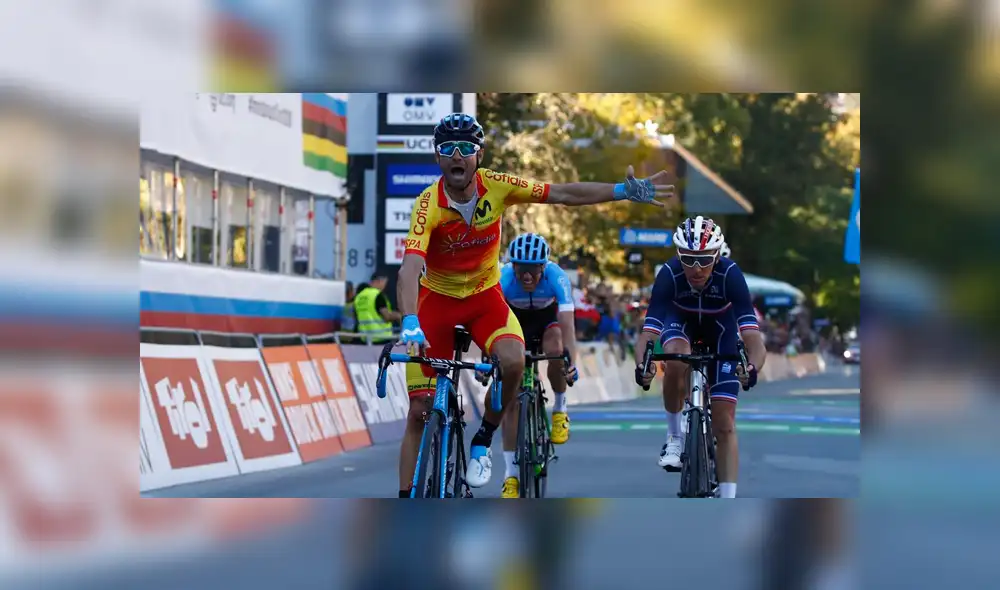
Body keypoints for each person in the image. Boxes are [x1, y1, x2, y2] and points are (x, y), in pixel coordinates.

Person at [395, 112, 675, 498]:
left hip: (483, 300)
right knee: (419, 411)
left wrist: (620, 191)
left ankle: (484, 438)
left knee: (515, 360)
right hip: (435, 306)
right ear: (438, 157)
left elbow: (562, 193)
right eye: (448, 149)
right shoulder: (427, 205)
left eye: (466, 149)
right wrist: (410, 319)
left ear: (479, 155)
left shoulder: (497, 186)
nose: (457, 156)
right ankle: (406, 497)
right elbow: (410, 268)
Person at [636, 216, 767, 498]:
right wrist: (642, 365)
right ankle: (674, 437)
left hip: (721, 332)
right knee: (674, 357)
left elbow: (753, 338)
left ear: (717, 256)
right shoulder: (669, 274)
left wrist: (752, 367)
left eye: (705, 260)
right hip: (679, 325)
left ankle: (728, 498)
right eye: (688, 259)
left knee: (725, 424)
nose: (696, 268)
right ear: (678, 255)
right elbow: (648, 333)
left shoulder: (731, 274)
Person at [496, 232, 579, 497]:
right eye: (522, 269)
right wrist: (492, 359)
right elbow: (492, 323)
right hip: (515, 323)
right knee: (511, 404)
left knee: (555, 349)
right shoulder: (504, 278)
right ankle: (510, 477)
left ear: (544, 266)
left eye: (533, 269)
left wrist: (570, 363)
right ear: (513, 266)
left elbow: (568, 327)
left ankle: (560, 408)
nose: (528, 276)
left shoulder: (558, 277)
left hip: (547, 322)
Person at [355, 273, 401, 343]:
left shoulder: (359, 296)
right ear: (379, 281)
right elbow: (387, 317)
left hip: (365, 339)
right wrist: (399, 316)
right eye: (384, 283)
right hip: (381, 338)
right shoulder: (377, 295)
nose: (384, 286)